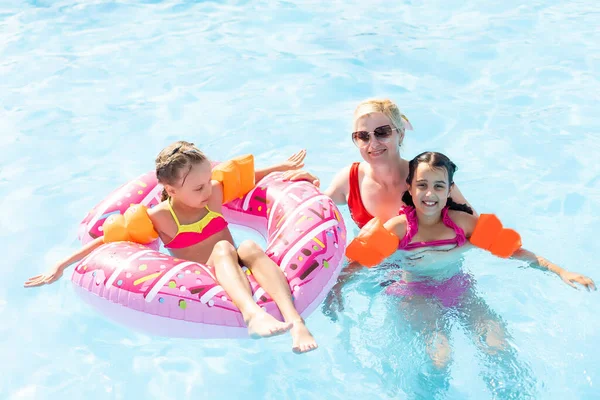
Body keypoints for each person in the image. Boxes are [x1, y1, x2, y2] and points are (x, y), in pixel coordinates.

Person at [25, 141, 318, 354]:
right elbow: (109, 239)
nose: (209, 190)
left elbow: (244, 179)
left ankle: (297, 323)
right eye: (198, 188)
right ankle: (252, 314)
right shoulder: (161, 216)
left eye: (207, 182)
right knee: (224, 250)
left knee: (251, 246)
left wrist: (284, 168)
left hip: (235, 265)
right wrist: (60, 265)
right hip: (206, 276)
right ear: (171, 190)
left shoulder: (213, 192)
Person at [345, 151, 596, 368]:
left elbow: (513, 251)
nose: (429, 193)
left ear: (450, 190)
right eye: (422, 184)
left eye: (439, 186)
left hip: (457, 288)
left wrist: (561, 271)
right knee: (441, 357)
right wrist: (336, 290)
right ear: (409, 187)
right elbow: (359, 262)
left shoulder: (462, 224)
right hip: (415, 293)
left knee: (498, 346)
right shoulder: (399, 228)